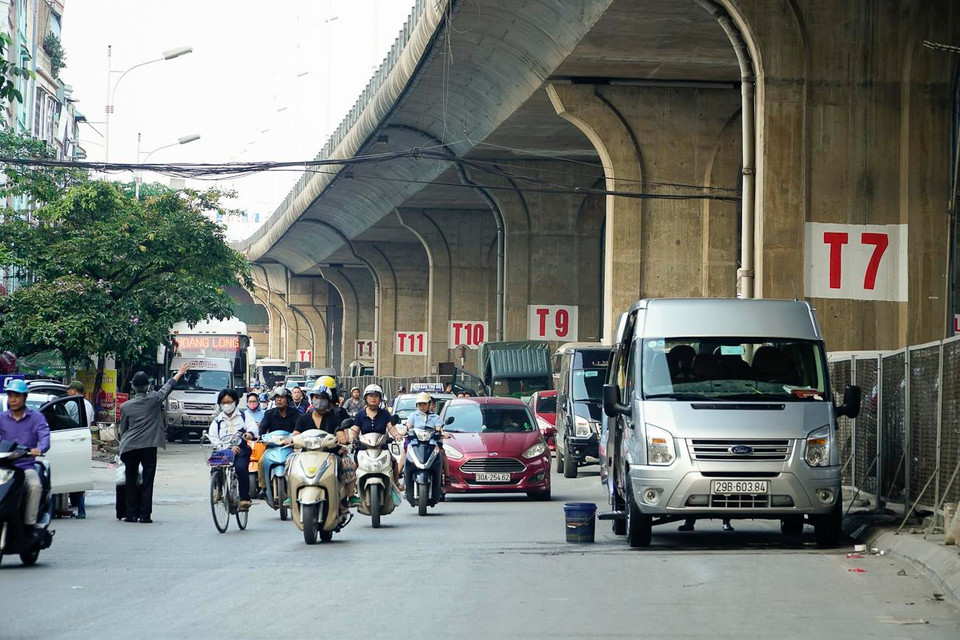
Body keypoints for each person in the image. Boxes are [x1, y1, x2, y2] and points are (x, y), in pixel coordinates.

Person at [118, 363, 190, 523]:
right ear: (147, 386)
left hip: (130, 446)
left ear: (134, 388)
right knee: (148, 480)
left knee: (130, 479)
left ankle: (130, 514)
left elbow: (123, 429)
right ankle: (144, 515)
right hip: (149, 445)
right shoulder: (154, 399)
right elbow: (168, 387)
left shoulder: (125, 406)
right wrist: (180, 372)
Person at [290, 382, 357, 512]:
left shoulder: (334, 418)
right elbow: (295, 434)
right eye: (316, 397)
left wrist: (342, 438)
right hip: (306, 455)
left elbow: (340, 433)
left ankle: (347, 497)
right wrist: (289, 440)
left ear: (329, 401)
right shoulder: (303, 418)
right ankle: (290, 494)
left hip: (330, 454)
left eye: (323, 398)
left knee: (347, 464)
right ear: (311, 399)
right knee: (289, 464)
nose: (319, 401)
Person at [0, 379, 50, 531]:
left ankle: (30, 525)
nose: (13, 400)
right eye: (10, 396)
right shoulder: (1, 418)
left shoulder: (36, 418)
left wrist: (39, 449)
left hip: (25, 467)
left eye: (17, 396)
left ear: (24, 398)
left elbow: (44, 438)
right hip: (4, 468)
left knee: (34, 486)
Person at [207, 389, 259, 511]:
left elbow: (252, 428)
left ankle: (244, 499)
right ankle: (218, 489)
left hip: (241, 449)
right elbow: (213, 437)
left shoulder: (244, 415)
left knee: (241, 468)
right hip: (224, 449)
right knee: (215, 466)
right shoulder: (217, 420)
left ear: (235, 402)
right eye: (223, 402)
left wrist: (249, 434)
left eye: (229, 402)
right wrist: (227, 448)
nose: (227, 405)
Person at [351, 384, 404, 490]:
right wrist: (352, 439)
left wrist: (397, 435)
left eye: (376, 396)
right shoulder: (360, 415)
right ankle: (353, 486)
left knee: (393, 461)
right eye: (370, 396)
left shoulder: (385, 414)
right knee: (355, 462)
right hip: (364, 447)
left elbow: (391, 428)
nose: (373, 398)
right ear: (366, 398)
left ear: (380, 399)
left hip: (381, 447)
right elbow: (355, 431)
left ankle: (396, 483)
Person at [256, 387, 299, 493]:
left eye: (282, 397)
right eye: (277, 398)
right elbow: (262, 428)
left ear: (288, 400)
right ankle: (263, 486)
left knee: (298, 463)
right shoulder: (269, 413)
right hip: (272, 446)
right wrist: (261, 437)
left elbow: (299, 427)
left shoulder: (295, 413)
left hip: (290, 447)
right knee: (262, 462)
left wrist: (295, 438)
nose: (279, 400)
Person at [403, 392, 450, 488]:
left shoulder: (436, 417)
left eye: (424, 404)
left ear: (429, 404)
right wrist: (404, 431)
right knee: (407, 454)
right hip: (416, 444)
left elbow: (438, 428)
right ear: (417, 405)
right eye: (420, 404)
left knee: (441, 452)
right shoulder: (413, 416)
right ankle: (405, 478)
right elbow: (408, 425)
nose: (422, 406)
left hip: (432, 444)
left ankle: (447, 477)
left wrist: (442, 432)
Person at [64, 381, 95, 519]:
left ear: (75, 391)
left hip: (70, 441)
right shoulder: (88, 404)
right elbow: (91, 421)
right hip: (85, 441)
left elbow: (63, 420)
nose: (67, 392)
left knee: (67, 474)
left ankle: (57, 507)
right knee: (80, 474)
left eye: (69, 389)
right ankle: (81, 509)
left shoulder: (70, 404)